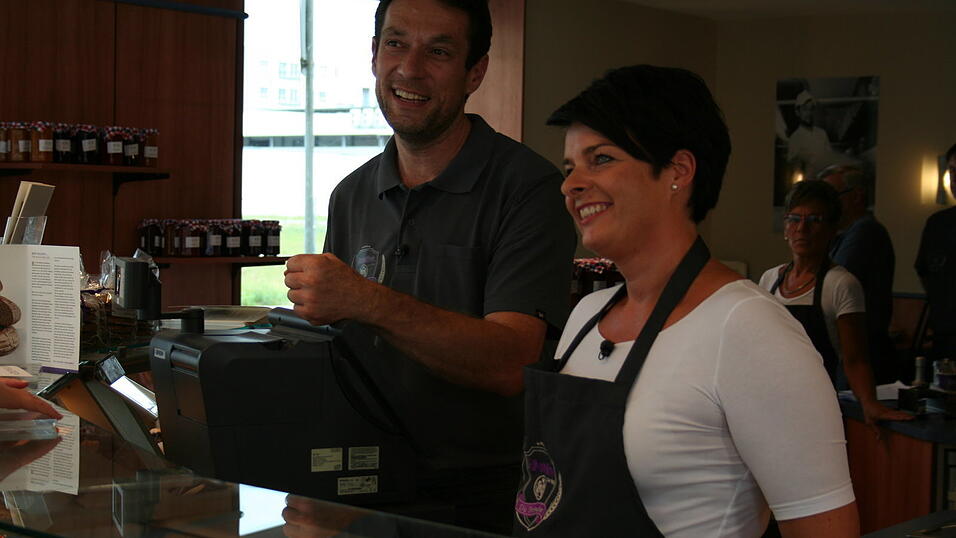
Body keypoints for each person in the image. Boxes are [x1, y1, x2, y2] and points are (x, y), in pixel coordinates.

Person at [515, 64, 858, 537]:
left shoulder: (748, 329)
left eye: (601, 159)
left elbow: (826, 530)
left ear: (678, 172)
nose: (570, 184)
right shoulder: (585, 317)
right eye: (570, 166)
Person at [283, 0, 576, 532]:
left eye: (438, 51)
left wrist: (365, 299)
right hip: (359, 485)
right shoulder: (350, 195)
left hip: (481, 500)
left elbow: (511, 361)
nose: (410, 68)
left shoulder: (528, 191)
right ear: (374, 55)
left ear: (475, 73)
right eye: (396, 43)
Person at [759, 180, 911, 428]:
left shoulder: (841, 284)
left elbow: (855, 359)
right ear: (785, 227)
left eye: (814, 220)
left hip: (816, 406)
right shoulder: (770, 279)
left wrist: (869, 404)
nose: (802, 229)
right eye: (794, 219)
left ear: (832, 229)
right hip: (769, 399)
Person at [821, 165, 898, 383]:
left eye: (832, 196)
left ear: (857, 196)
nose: (826, 205)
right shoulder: (844, 235)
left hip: (864, 350)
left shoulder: (866, 231)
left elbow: (830, 281)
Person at [915, 143, 956, 360]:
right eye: (952, 171)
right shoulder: (937, 224)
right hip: (943, 332)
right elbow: (924, 270)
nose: (955, 178)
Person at [787, 90, 834, 180]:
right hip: (807, 183)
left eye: (811, 109)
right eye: (805, 109)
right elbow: (793, 167)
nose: (808, 113)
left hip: (823, 180)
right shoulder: (795, 138)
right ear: (798, 112)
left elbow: (829, 157)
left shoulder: (822, 133)